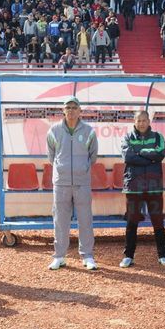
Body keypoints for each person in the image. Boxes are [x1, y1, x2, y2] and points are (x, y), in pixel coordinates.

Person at [46, 96, 99, 271]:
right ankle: (59, 257)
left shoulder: (89, 131)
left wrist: (81, 168)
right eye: (68, 107)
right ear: (63, 110)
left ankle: (88, 256)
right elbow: (51, 156)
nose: (71, 110)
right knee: (60, 221)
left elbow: (93, 156)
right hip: (61, 183)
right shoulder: (54, 131)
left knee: (85, 220)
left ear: (80, 111)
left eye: (74, 107)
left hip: (82, 182)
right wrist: (62, 169)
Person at [119, 111, 165, 268]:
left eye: (144, 120)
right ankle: (128, 256)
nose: (141, 123)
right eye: (138, 120)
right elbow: (128, 157)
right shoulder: (127, 137)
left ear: (149, 121)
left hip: (154, 186)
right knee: (132, 221)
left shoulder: (158, 137)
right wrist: (149, 157)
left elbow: (160, 154)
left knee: (158, 221)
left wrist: (139, 152)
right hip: (134, 187)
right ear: (134, 122)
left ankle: (163, 255)